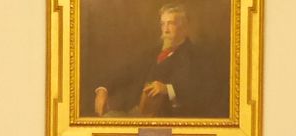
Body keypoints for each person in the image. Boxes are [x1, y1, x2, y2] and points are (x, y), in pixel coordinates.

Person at [92, 2, 229, 119]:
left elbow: (202, 91)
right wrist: (103, 89)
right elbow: (126, 71)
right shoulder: (152, 53)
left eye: (171, 24)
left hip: (168, 119)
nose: (165, 29)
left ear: (184, 28)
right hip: (134, 114)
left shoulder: (196, 56)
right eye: (163, 24)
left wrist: (168, 89)